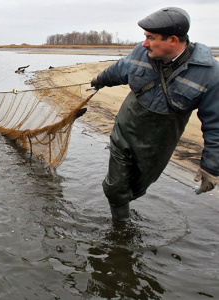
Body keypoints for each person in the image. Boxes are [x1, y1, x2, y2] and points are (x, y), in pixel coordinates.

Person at [90, 7, 219, 222]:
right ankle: (121, 230)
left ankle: (124, 213)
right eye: (145, 36)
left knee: (137, 188)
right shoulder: (141, 53)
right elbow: (119, 69)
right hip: (125, 130)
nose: (144, 43)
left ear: (173, 40)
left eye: (150, 37)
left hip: (157, 146)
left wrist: (211, 167)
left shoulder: (210, 74)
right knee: (114, 187)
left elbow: (215, 125)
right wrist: (99, 80)